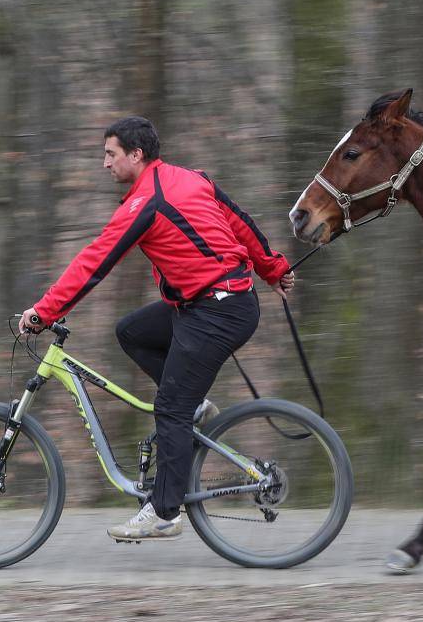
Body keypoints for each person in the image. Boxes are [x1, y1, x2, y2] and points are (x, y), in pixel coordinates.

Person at [19, 116, 294, 541]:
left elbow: (95, 261)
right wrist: (272, 268)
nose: (104, 163)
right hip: (213, 303)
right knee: (132, 331)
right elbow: (240, 220)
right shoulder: (190, 178)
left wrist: (44, 312)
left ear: (136, 154)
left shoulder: (144, 201)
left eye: (110, 154)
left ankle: (164, 511)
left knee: (170, 408)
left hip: (217, 310)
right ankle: (195, 406)